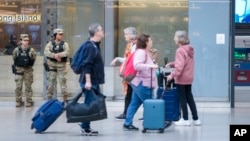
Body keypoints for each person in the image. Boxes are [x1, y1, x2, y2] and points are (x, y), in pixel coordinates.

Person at [123, 34, 158, 130]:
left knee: (134, 103)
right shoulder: (141, 52)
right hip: (142, 83)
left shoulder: (144, 52)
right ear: (146, 42)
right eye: (150, 40)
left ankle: (127, 122)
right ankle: (153, 123)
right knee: (150, 104)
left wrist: (153, 62)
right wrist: (151, 66)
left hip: (139, 82)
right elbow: (137, 65)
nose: (151, 42)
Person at [166, 30, 201, 126]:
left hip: (181, 78)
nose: (174, 39)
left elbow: (180, 67)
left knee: (182, 98)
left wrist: (171, 75)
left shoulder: (180, 50)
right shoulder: (189, 49)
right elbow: (184, 63)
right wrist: (172, 64)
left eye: (175, 37)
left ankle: (185, 119)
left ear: (179, 39)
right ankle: (196, 119)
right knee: (189, 97)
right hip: (189, 77)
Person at [78, 23, 105, 136]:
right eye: (101, 30)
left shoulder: (95, 45)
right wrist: (88, 81)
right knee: (89, 104)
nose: (103, 31)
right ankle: (85, 127)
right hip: (89, 81)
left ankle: (86, 126)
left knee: (91, 103)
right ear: (96, 32)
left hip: (93, 80)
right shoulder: (90, 46)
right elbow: (86, 65)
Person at [110, 27, 137, 120]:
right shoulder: (130, 45)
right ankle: (126, 113)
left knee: (132, 94)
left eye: (126, 34)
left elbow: (130, 59)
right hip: (131, 73)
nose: (125, 36)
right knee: (130, 94)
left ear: (131, 35)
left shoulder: (134, 45)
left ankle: (127, 113)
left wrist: (117, 59)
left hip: (132, 74)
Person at [44, 28, 70, 102]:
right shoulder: (50, 44)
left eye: (62, 34)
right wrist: (54, 56)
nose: (61, 36)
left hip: (61, 66)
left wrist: (58, 55)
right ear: (55, 35)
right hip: (52, 66)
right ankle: (49, 100)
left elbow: (67, 52)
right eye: (59, 34)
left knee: (63, 84)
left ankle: (65, 100)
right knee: (51, 84)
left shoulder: (65, 44)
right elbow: (46, 52)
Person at [12, 34, 36, 107]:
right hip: (19, 70)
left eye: (27, 40)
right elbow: (14, 58)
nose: (26, 42)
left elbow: (33, 59)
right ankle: (18, 101)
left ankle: (29, 101)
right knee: (18, 86)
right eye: (25, 40)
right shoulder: (16, 50)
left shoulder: (31, 50)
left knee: (28, 86)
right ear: (21, 41)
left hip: (28, 70)